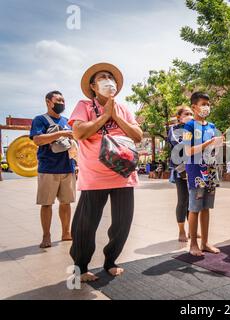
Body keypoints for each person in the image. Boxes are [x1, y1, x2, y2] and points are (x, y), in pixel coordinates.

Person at [69, 63, 143, 282]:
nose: (108, 80)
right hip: (94, 176)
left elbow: (137, 135)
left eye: (111, 77)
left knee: (122, 223)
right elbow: (79, 132)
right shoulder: (84, 106)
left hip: (123, 174)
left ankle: (111, 260)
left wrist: (116, 116)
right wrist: (103, 117)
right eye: (102, 77)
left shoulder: (124, 108)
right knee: (85, 224)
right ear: (93, 85)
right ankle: (80, 267)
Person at [30, 91, 76, 248]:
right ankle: (46, 236)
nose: (61, 103)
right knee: (46, 204)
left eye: (63, 100)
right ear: (48, 102)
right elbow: (37, 140)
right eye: (58, 100)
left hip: (67, 167)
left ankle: (66, 233)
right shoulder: (40, 120)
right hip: (48, 169)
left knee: (66, 203)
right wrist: (62, 133)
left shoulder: (67, 120)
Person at [183, 92, 223, 256]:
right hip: (196, 172)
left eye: (208, 103)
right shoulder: (189, 126)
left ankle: (205, 242)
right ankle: (193, 244)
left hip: (211, 171)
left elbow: (212, 149)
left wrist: (218, 143)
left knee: (206, 208)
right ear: (194, 107)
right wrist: (208, 143)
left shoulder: (211, 126)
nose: (207, 106)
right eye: (203, 103)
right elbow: (187, 150)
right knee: (195, 208)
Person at [168, 106, 194, 242]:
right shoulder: (173, 129)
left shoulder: (196, 128)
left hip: (194, 168)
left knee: (193, 200)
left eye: (191, 113)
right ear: (179, 116)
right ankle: (181, 231)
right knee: (183, 200)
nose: (189, 115)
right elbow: (178, 143)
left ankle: (192, 229)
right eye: (186, 113)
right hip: (181, 169)